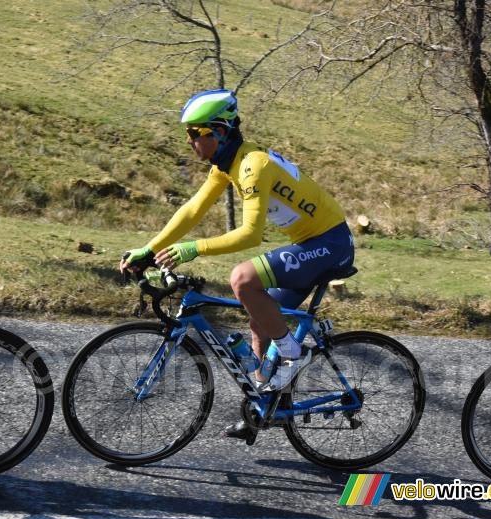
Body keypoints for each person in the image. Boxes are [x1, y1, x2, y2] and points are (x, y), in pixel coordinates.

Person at [120, 89, 354, 438]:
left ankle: (295, 355)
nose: (189, 141)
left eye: (195, 133)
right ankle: (265, 407)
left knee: (243, 279)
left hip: (330, 244)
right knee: (261, 322)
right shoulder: (228, 166)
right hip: (309, 243)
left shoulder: (252, 165)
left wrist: (192, 249)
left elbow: (249, 235)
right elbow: (192, 210)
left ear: (221, 131)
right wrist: (149, 249)